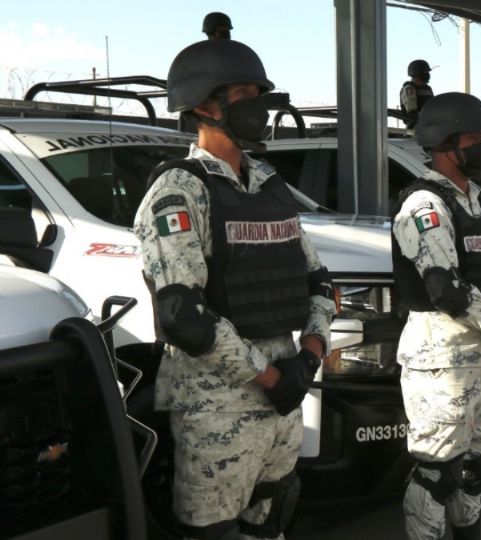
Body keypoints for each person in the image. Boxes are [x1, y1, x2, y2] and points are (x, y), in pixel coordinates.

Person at [134, 39, 336, 539]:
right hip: (218, 402)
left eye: (260, 93)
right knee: (214, 531)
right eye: (245, 93)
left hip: (286, 388)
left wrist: (308, 357)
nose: (259, 105)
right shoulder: (179, 192)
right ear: (205, 105)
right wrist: (269, 377)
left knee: (273, 516)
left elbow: (318, 279)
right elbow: (186, 317)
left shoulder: (269, 185)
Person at [392, 92, 481, 540]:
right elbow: (446, 288)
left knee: (476, 467)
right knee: (439, 473)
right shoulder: (425, 205)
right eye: (475, 138)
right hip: (443, 359)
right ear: (445, 142)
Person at [400, 59, 434, 129]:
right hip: (417, 127)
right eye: (425, 72)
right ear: (417, 73)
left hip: (429, 125)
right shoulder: (409, 88)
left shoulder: (427, 88)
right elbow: (412, 113)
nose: (427, 74)